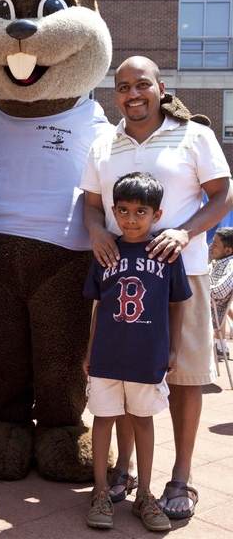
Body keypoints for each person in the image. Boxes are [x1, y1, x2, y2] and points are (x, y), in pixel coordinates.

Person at [81, 56, 232, 519]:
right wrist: (98, 232)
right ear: (116, 94)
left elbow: (223, 194)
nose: (133, 93)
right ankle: (124, 471)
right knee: (125, 375)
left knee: (185, 377)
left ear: (160, 88)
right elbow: (89, 205)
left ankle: (181, 478)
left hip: (180, 274)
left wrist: (186, 232)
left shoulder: (196, 136)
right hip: (120, 277)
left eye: (142, 84)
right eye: (123, 86)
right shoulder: (103, 143)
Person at [84, 172, 192, 531]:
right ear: (113, 211)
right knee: (103, 418)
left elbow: (177, 304)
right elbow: (98, 305)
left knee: (142, 420)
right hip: (107, 354)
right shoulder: (105, 251)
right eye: (124, 210)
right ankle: (100, 490)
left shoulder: (166, 253)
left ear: (156, 215)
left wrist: (173, 350)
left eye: (141, 211)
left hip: (147, 355)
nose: (131, 218)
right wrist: (89, 350)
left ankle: (144, 493)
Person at [209, 227, 233, 359]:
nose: (210, 246)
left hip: (208, 313)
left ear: (228, 251)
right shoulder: (217, 262)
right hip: (205, 308)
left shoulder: (231, 264)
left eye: (215, 244)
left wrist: (199, 290)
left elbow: (220, 291)